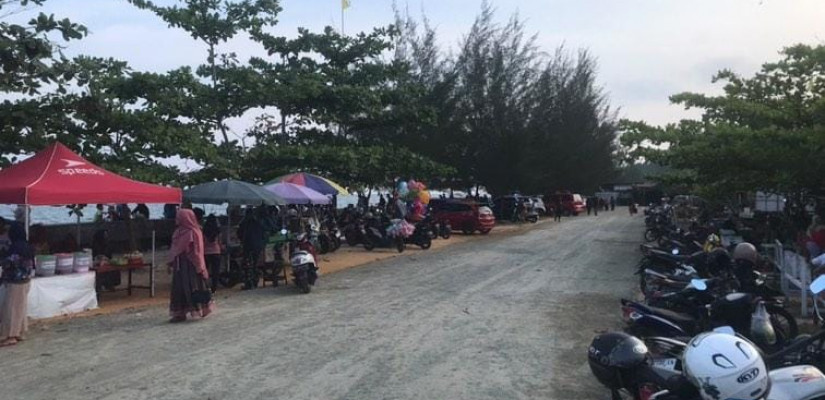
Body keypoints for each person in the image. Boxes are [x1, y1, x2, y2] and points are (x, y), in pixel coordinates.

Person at [167, 209, 214, 322]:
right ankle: (180, 312)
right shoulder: (181, 232)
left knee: (193, 287)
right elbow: (174, 249)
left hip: (190, 265)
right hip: (180, 266)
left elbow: (196, 251)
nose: (177, 219)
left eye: (179, 217)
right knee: (179, 289)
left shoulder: (192, 232)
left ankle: (200, 309)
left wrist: (199, 266)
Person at [0, 223, 33, 346]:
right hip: (26, 280)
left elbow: (9, 262)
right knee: (21, 307)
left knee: (11, 309)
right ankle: (20, 332)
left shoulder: (15, 247)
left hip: (16, 281)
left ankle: (10, 335)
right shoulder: (28, 246)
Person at [203, 215, 222, 293]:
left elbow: (202, 242)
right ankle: (214, 288)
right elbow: (220, 243)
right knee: (215, 272)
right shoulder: (218, 231)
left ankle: (205, 286)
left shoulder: (203, 231)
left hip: (206, 253)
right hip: (216, 252)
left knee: (205, 271)